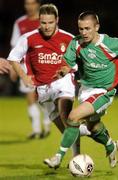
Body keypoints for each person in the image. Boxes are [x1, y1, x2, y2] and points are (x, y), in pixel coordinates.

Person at [44, 11, 118, 169]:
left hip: (104, 92)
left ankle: (58, 157)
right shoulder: (76, 43)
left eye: (88, 28)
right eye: (81, 28)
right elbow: (67, 63)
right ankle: (110, 145)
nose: (84, 32)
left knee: (73, 117)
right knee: (93, 127)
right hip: (85, 90)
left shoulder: (111, 44)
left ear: (97, 27)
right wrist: (63, 70)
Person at [7, 3, 84, 157]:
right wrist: (23, 76)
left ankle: (77, 158)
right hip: (42, 88)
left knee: (65, 114)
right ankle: (92, 131)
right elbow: (13, 58)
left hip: (64, 83)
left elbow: (87, 55)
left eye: (50, 22)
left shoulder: (69, 38)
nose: (47, 26)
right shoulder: (29, 38)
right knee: (64, 127)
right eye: (43, 23)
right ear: (39, 22)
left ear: (57, 20)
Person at [10, 0, 51, 139]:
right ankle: (37, 130)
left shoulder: (46, 20)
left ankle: (46, 124)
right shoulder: (20, 22)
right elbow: (14, 46)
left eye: (32, 3)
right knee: (30, 97)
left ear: (38, 4)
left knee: (42, 97)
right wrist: (12, 67)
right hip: (24, 66)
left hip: (43, 63)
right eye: (27, 3)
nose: (29, 6)